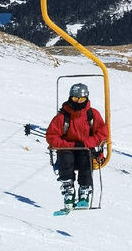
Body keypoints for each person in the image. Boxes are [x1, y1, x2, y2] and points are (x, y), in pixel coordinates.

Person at [45, 82, 108, 212]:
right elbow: (52, 137)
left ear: (87, 99)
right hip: (68, 149)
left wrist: (87, 143)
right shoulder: (63, 117)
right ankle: (68, 189)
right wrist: (70, 145)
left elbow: (102, 133)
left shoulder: (92, 114)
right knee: (65, 156)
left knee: (86, 158)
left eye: (82, 99)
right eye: (75, 99)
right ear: (70, 98)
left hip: (85, 148)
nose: (78, 102)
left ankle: (84, 190)